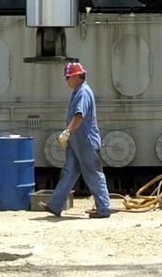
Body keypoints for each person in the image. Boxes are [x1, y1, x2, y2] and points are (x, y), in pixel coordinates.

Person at [44, 61, 111, 219]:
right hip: (78, 142)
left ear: (76, 76)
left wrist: (67, 131)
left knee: (93, 175)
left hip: (85, 141)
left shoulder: (83, 92)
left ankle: (103, 209)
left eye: (68, 77)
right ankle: (54, 205)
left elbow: (79, 116)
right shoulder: (78, 91)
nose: (66, 80)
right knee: (68, 173)